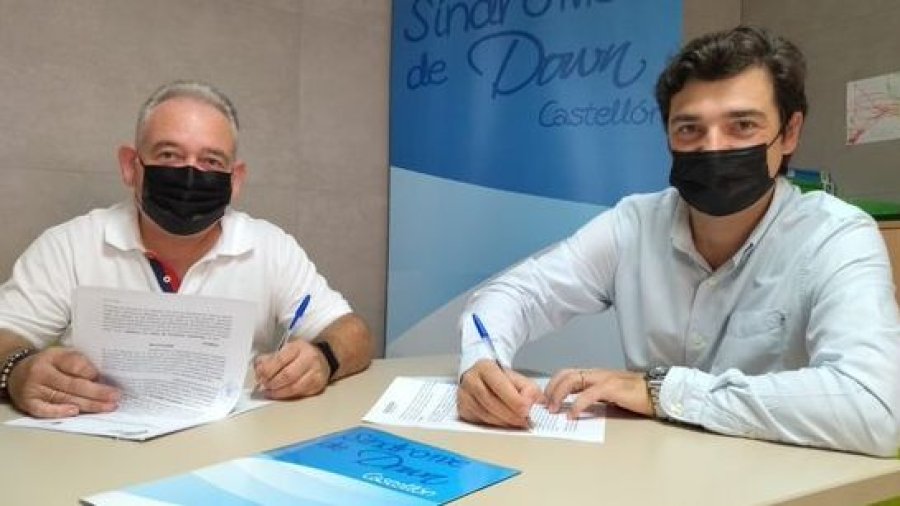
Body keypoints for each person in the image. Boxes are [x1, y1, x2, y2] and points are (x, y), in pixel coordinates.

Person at [456, 26, 900, 457]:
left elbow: (875, 408)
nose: (712, 148)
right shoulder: (634, 223)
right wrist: (481, 361)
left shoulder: (836, 235)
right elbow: (516, 294)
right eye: (689, 129)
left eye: (742, 125)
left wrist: (661, 391)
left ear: (789, 133)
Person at [0, 81, 373, 418]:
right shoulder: (69, 245)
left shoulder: (270, 247)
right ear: (131, 166)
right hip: (99, 445)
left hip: (228, 447)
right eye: (168, 155)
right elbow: (6, 332)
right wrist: (17, 370)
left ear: (235, 180)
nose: (190, 175)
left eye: (211, 161)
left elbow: (352, 331)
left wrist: (323, 358)